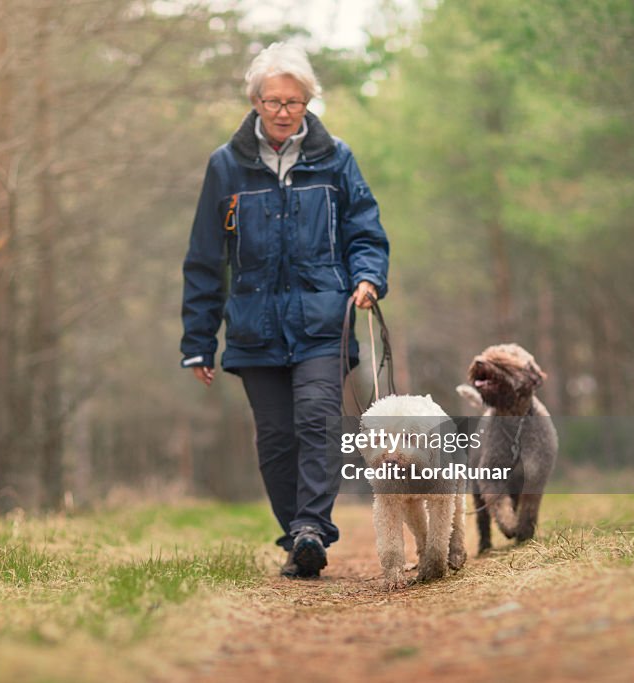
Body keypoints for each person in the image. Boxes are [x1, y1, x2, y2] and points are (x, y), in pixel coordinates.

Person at [180, 42, 389, 578]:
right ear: (254, 102)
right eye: (272, 101)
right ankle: (296, 535)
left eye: (294, 102)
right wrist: (199, 341)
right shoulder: (225, 167)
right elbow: (206, 259)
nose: (282, 111)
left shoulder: (336, 158)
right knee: (276, 437)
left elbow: (365, 228)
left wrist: (367, 277)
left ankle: (311, 529)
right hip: (253, 328)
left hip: (323, 321)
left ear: (307, 103)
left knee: (318, 421)